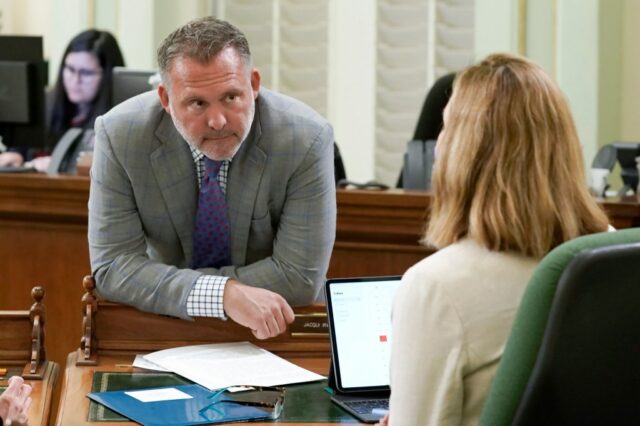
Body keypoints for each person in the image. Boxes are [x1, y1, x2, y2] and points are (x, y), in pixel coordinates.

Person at [382, 54, 609, 425]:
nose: (437, 144)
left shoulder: (435, 287)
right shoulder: (612, 253)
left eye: (446, 129)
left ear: (462, 152)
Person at [88, 17, 336, 340]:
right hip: (164, 331)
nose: (218, 121)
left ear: (254, 84)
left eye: (231, 97)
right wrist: (222, 294)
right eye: (197, 103)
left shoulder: (306, 138)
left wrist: (176, 285)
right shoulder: (120, 135)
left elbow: (300, 278)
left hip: (279, 334)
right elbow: (113, 267)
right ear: (165, 99)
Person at [0, 29, 124, 171]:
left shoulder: (117, 121)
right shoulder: (43, 105)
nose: (75, 80)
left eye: (86, 73)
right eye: (70, 69)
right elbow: (21, 151)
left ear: (107, 75)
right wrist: (17, 156)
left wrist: (60, 164)